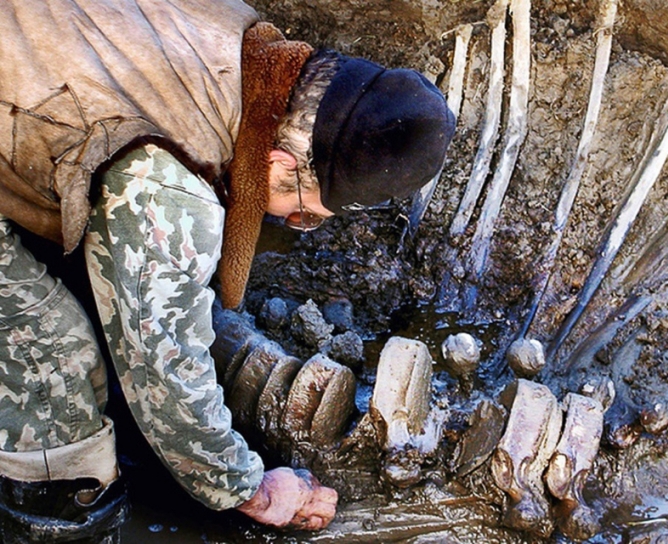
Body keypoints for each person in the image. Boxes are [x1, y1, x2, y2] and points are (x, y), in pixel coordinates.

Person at [0, 0, 455, 540]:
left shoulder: (230, 31)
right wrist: (250, 490)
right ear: (281, 164)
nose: (293, 221)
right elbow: (161, 370)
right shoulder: (166, 185)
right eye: (304, 215)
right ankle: (52, 512)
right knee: (53, 351)